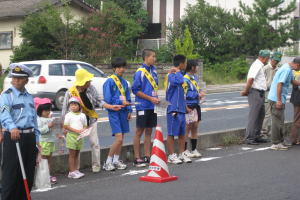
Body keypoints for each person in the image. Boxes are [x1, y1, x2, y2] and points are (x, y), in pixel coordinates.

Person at [62, 68, 122, 173]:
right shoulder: (70, 92)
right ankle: (76, 168)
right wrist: (64, 126)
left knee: (95, 143)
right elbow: (65, 110)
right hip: (76, 123)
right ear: (82, 82)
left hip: (91, 119)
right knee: (77, 146)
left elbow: (99, 101)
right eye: (87, 81)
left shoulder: (91, 89)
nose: (89, 82)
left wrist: (111, 106)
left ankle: (96, 166)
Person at [0, 63, 40, 200]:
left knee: (28, 173)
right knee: (11, 173)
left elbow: (34, 120)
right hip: (14, 137)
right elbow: (4, 114)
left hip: (29, 137)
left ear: (26, 80)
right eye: (14, 77)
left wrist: (38, 141)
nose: (15, 80)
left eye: (19, 78)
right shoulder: (7, 95)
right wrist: (12, 127)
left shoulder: (29, 97)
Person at [102, 57, 132, 171]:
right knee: (118, 138)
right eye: (119, 67)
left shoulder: (125, 82)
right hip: (114, 112)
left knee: (122, 138)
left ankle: (116, 160)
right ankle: (108, 162)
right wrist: (121, 101)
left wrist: (129, 110)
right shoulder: (109, 81)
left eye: (123, 67)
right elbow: (107, 99)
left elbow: (128, 98)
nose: (121, 69)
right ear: (114, 68)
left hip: (124, 112)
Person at [131, 49, 160, 167]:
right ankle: (137, 157)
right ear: (146, 57)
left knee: (149, 130)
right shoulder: (140, 72)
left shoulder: (154, 71)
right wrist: (150, 98)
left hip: (153, 105)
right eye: (153, 56)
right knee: (139, 131)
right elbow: (135, 90)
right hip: (143, 105)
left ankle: (147, 156)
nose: (155, 59)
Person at [268, 57, 300, 150]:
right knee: (277, 122)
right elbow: (279, 84)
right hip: (276, 98)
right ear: (298, 65)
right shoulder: (286, 70)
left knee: (280, 121)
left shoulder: (288, 68)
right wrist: (278, 100)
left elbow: (292, 81)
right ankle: (276, 143)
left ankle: (280, 141)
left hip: (278, 98)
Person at [166, 55, 192, 164]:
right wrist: (176, 71)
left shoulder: (178, 74)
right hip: (173, 109)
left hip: (181, 108)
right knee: (172, 133)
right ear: (181, 64)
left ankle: (181, 153)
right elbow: (180, 81)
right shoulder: (172, 75)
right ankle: (171, 155)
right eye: (185, 63)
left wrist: (185, 106)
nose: (186, 65)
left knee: (182, 133)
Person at [241, 50, 270, 145]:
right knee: (254, 116)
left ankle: (256, 136)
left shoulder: (260, 65)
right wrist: (246, 91)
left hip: (260, 93)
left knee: (260, 115)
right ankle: (249, 138)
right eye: (268, 58)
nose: (268, 60)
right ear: (264, 58)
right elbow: (250, 79)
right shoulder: (256, 65)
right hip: (255, 92)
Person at [35, 98, 60, 184]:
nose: (48, 112)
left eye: (49, 110)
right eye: (46, 111)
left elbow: (53, 130)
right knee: (43, 161)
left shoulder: (50, 119)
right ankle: (42, 177)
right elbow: (39, 131)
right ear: (40, 111)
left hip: (50, 141)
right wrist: (48, 127)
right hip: (43, 142)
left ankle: (48, 175)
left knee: (49, 160)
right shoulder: (39, 120)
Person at [183, 60, 205, 158]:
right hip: (189, 105)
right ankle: (184, 150)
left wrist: (200, 93)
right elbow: (185, 94)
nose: (198, 68)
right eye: (197, 66)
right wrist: (197, 94)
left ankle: (194, 149)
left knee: (195, 126)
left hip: (196, 105)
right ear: (192, 67)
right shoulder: (185, 79)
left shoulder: (195, 78)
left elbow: (196, 89)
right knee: (187, 128)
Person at [64, 97, 87, 179]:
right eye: (71, 105)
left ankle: (76, 170)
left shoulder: (83, 115)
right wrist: (77, 131)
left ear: (79, 106)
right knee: (72, 154)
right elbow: (66, 126)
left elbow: (85, 125)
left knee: (77, 153)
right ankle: (71, 171)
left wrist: (83, 130)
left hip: (80, 137)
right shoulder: (68, 115)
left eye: (75, 104)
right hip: (71, 136)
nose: (73, 106)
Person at [261, 52, 282, 138]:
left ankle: (271, 132)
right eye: (274, 60)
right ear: (271, 59)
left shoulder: (279, 69)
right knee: (267, 113)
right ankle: (263, 132)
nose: (275, 62)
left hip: (275, 93)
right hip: (266, 92)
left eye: (277, 61)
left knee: (275, 113)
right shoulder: (265, 68)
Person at [290, 70, 300, 145]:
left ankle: (295, 139)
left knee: (296, 118)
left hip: (295, 97)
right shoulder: (297, 73)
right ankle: (294, 139)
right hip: (298, 97)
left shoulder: (293, 72)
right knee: (297, 119)